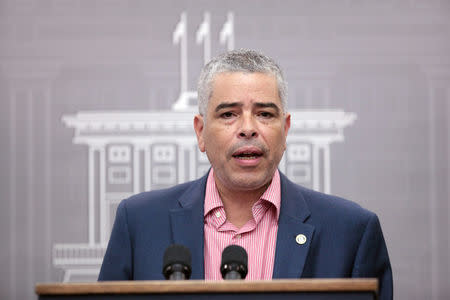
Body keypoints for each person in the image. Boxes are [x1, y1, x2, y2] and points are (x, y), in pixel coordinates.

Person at [98, 49, 393, 299]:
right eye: (229, 114)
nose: (248, 128)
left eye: (265, 114)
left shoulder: (351, 232)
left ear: (285, 130)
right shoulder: (139, 223)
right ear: (200, 132)